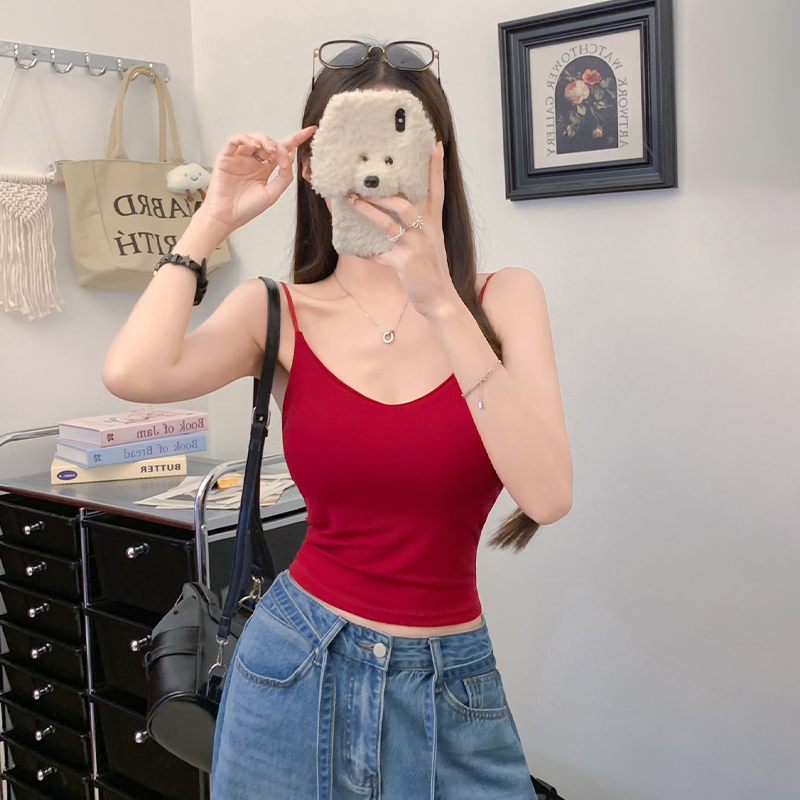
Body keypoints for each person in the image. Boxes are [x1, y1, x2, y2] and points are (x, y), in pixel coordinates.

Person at [103, 38, 573, 800]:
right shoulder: (277, 311)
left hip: (452, 683)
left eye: (398, 144)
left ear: (437, 162)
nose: (373, 174)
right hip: (293, 665)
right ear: (315, 167)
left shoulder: (503, 300)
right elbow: (133, 372)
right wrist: (213, 218)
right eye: (350, 148)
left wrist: (438, 300)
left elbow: (547, 494)